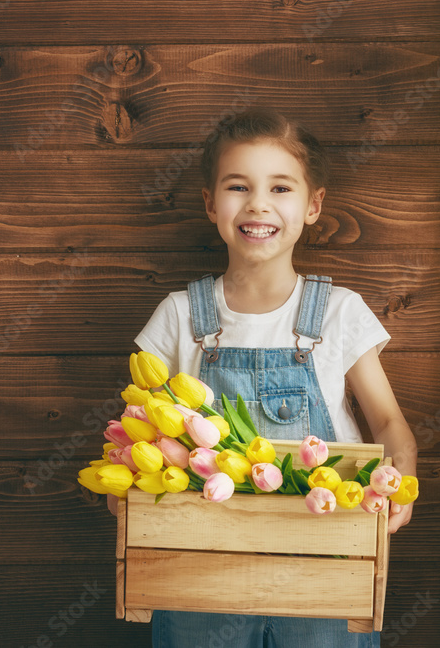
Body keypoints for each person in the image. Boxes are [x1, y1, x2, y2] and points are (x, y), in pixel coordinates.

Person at [132, 107, 416, 647]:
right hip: (198, 565)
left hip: (327, 558)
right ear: (210, 203)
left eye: (280, 188)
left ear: (313, 206)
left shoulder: (337, 312)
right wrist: (128, 491)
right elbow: (139, 428)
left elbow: (388, 422)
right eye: (238, 186)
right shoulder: (178, 316)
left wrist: (401, 480)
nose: (258, 204)